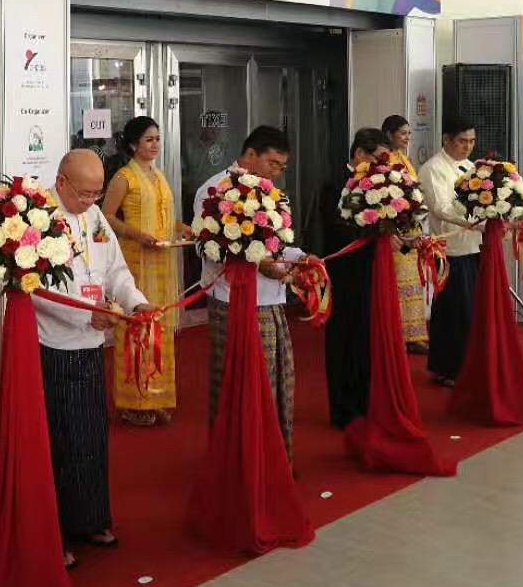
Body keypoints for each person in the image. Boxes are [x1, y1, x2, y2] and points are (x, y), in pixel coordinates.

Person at [35, 150, 149, 570]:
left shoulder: (96, 217)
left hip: (91, 343)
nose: (90, 201)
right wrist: (87, 315)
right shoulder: (37, 220)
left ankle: (92, 519)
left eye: (97, 194)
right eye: (84, 193)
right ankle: (57, 533)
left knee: (92, 437)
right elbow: (35, 290)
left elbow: (116, 270)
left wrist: (135, 303)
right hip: (55, 345)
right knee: (60, 443)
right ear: (61, 182)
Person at [195, 125, 303, 459]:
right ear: (251, 154)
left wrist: (299, 258)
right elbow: (206, 247)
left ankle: (272, 458)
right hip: (233, 300)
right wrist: (259, 263)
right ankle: (237, 457)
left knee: (276, 380)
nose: (277, 172)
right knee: (238, 381)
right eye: (273, 163)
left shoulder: (272, 194)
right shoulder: (216, 189)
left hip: (271, 298)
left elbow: (278, 245)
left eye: (282, 166)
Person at [102, 116, 191, 426]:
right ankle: (134, 402)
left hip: (161, 260)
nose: (155, 145)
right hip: (136, 260)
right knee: (136, 328)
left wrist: (181, 228)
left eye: (157, 139)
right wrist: (137, 235)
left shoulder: (158, 175)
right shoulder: (124, 177)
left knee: (160, 328)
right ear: (132, 144)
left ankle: (157, 398)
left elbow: (165, 217)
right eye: (149, 139)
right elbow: (106, 217)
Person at [324, 128, 394, 428]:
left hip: (371, 269)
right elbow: (336, 229)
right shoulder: (335, 184)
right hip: (343, 272)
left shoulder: (380, 184)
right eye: (377, 158)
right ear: (360, 154)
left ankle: (365, 401)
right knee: (343, 339)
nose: (381, 165)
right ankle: (343, 408)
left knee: (367, 337)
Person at [419, 115, 482, 386]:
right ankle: (448, 367)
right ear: (447, 139)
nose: (467, 147)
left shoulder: (470, 167)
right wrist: (475, 222)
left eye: (472, 141)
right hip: (450, 249)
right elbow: (441, 207)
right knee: (454, 310)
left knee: (470, 310)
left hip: (473, 246)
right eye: (462, 141)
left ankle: (467, 365)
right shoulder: (433, 168)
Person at [383, 115, 429, 354]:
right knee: (399, 284)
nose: (408, 137)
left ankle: (415, 335)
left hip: (411, 225)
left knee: (413, 283)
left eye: (409, 133)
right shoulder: (384, 161)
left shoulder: (402, 158)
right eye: (403, 133)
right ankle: (399, 335)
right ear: (389, 134)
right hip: (395, 228)